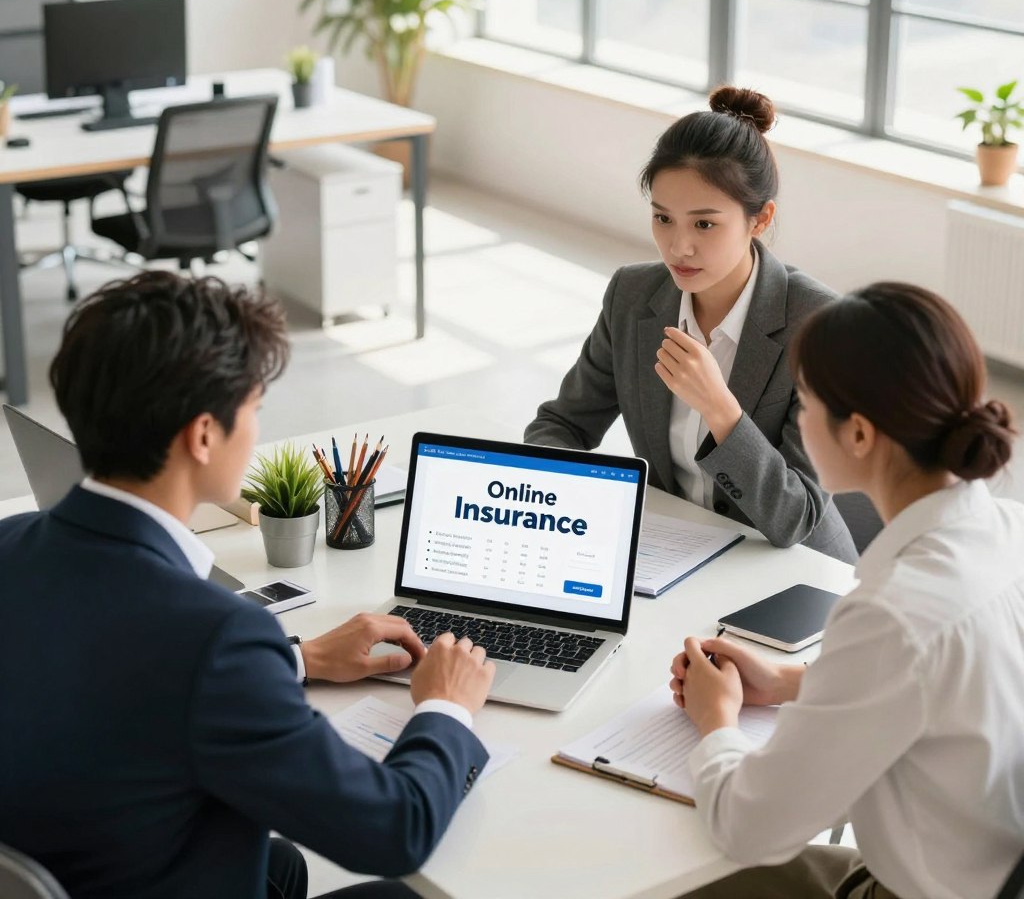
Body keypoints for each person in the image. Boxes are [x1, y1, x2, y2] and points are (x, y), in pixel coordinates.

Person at [0, 271, 495, 899]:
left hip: (78, 867)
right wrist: (446, 706)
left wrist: (297, 659)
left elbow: (111, 675)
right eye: (255, 410)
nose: (258, 432)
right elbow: (394, 830)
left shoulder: (11, 542)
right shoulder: (218, 635)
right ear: (203, 434)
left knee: (278, 864)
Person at [671, 282, 1023, 899]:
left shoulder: (894, 613)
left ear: (858, 434)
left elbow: (749, 827)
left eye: (804, 405)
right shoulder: (1010, 529)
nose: (798, 422)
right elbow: (955, 691)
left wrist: (715, 718)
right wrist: (793, 682)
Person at [525, 86, 857, 561]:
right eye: (663, 218)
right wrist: (569, 507)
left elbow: (795, 517)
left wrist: (720, 409)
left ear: (760, 220)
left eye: (704, 224)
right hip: (675, 556)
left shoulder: (820, 325)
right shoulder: (633, 296)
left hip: (792, 570)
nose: (678, 247)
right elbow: (562, 425)